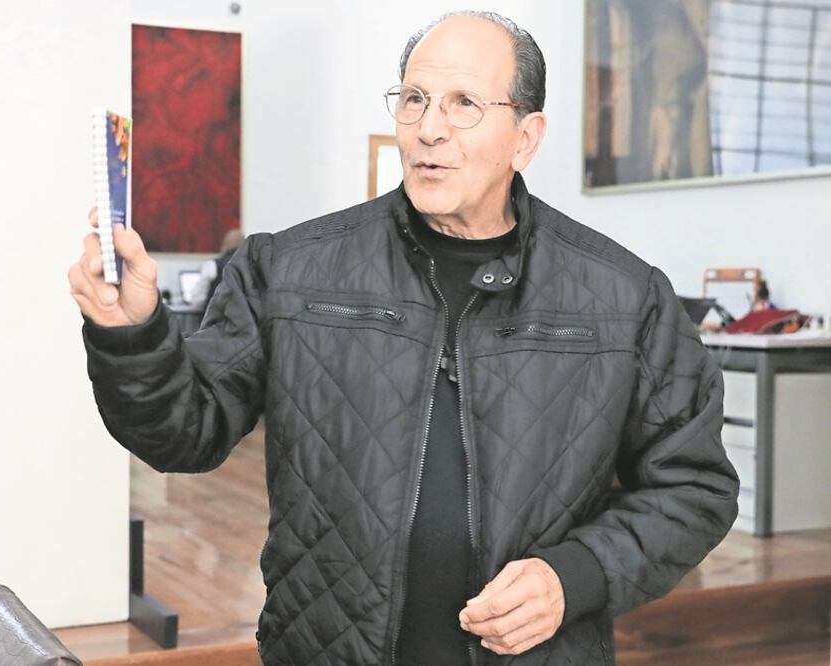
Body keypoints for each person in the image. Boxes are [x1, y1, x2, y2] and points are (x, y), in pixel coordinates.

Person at [68, 11, 739, 665]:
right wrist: (131, 335)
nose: (427, 130)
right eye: (413, 100)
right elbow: (185, 433)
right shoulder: (287, 268)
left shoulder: (624, 296)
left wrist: (577, 575)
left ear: (525, 137)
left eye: (463, 104)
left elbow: (692, 486)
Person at [188, 227, 245, 307]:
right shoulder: (254, 267)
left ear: (225, 245)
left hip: (218, 317)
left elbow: (197, 299)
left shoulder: (213, 265)